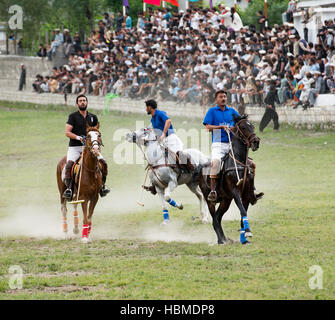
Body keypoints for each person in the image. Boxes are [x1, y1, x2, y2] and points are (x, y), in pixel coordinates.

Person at [203, 90, 263, 202]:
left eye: (225, 96)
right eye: (221, 97)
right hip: (218, 144)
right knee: (216, 163)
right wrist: (220, 127)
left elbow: (241, 123)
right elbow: (207, 127)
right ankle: (213, 191)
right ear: (216, 99)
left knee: (251, 164)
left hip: (232, 144)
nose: (223, 98)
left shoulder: (232, 111)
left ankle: (252, 191)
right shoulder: (212, 111)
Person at [63, 94, 110, 200]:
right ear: (77, 104)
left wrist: (96, 143)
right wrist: (78, 137)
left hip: (90, 148)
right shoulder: (72, 116)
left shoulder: (93, 117)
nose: (83, 102)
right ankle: (69, 189)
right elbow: (67, 132)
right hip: (75, 147)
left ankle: (102, 187)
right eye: (80, 101)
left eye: (84, 100)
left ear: (87, 103)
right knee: (69, 165)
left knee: (103, 163)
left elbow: (96, 132)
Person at [145, 99, 194, 172]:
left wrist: (164, 133)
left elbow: (168, 121)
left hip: (171, 138)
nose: (146, 109)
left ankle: (190, 169)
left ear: (149, 107)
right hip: (163, 141)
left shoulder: (160, 113)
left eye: (146, 107)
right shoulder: (152, 119)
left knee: (177, 154)